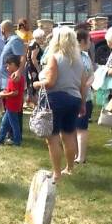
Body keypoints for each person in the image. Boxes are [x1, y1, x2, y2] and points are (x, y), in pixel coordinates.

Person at [33, 27, 86, 181]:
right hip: (74, 99)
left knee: (53, 138)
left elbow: (50, 83)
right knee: (69, 135)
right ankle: (69, 168)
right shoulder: (79, 61)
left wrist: (36, 84)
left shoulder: (55, 57)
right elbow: (83, 85)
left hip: (56, 99)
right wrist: (82, 103)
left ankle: (56, 173)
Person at [0, 20, 27, 137]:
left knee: (14, 109)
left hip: (13, 80)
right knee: (9, 108)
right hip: (7, 80)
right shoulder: (9, 41)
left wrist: (19, 71)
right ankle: (10, 133)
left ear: (3, 30)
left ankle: (15, 134)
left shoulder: (15, 41)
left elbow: (22, 56)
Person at [0, 55, 25, 146]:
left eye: (8, 65)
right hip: (10, 105)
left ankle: (17, 141)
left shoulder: (16, 77)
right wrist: (4, 91)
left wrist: (3, 95)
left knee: (14, 124)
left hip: (13, 105)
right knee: (4, 123)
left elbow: (15, 92)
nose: (7, 68)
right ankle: (0, 140)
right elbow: (10, 90)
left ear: (14, 65)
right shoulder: (13, 76)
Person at [74, 29, 94, 164]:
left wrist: (88, 82)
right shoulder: (72, 57)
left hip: (86, 98)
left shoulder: (86, 56)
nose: (90, 42)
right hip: (74, 96)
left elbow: (92, 73)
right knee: (73, 128)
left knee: (81, 128)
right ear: (81, 41)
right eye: (89, 39)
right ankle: (75, 154)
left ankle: (81, 157)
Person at [27, 28, 46, 106]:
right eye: (43, 37)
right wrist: (38, 70)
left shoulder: (31, 43)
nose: (44, 39)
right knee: (35, 86)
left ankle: (31, 103)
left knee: (31, 86)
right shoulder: (36, 45)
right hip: (33, 68)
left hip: (29, 67)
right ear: (39, 37)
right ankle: (36, 104)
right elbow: (33, 58)